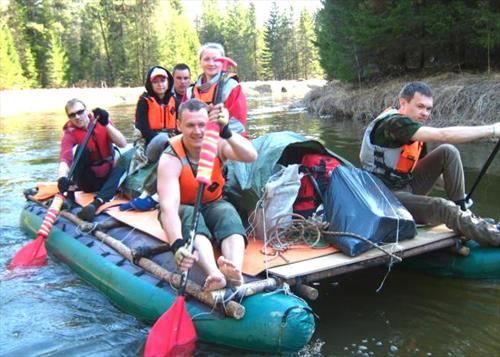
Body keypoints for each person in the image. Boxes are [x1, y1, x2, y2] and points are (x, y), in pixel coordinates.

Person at [359, 81, 500, 246]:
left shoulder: (413, 131)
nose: (425, 113)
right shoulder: (394, 123)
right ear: (403, 103)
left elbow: (424, 170)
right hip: (385, 197)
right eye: (420, 106)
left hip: (405, 187)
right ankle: (492, 236)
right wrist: (493, 130)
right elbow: (443, 134)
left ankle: (461, 211)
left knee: (448, 151)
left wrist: (458, 193)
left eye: (428, 108)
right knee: (442, 206)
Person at [157, 98, 257, 291]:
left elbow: (251, 156)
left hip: (212, 203)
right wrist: (177, 244)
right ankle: (214, 273)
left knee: (228, 212)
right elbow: (168, 208)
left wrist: (226, 130)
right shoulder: (170, 158)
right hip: (184, 207)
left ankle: (234, 268)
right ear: (179, 126)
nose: (198, 131)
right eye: (190, 125)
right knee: (190, 218)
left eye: (202, 124)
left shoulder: (218, 144)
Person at [119, 64, 192, 212]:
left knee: (177, 146)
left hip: (170, 140)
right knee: (165, 142)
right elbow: (143, 128)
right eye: (156, 82)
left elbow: (180, 124)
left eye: (163, 81)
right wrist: (167, 140)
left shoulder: (175, 100)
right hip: (151, 143)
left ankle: (149, 197)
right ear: (150, 84)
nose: (160, 84)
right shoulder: (144, 101)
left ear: (168, 82)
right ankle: (149, 195)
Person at [57, 98, 127, 221]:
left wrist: (106, 124)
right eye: (72, 115)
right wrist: (62, 178)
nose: (77, 117)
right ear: (69, 118)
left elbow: (122, 144)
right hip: (88, 180)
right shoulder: (69, 134)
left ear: (87, 111)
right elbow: (65, 159)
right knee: (81, 149)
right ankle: (70, 196)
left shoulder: (102, 121)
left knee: (125, 161)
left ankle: (95, 204)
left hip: (107, 175)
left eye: (80, 112)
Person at [185, 42, 248, 138]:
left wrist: (219, 130)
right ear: (200, 62)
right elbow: (183, 120)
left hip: (229, 138)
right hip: (197, 137)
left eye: (216, 60)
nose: (211, 63)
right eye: (206, 59)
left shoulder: (232, 87)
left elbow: (238, 124)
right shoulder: (190, 92)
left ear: (222, 63)